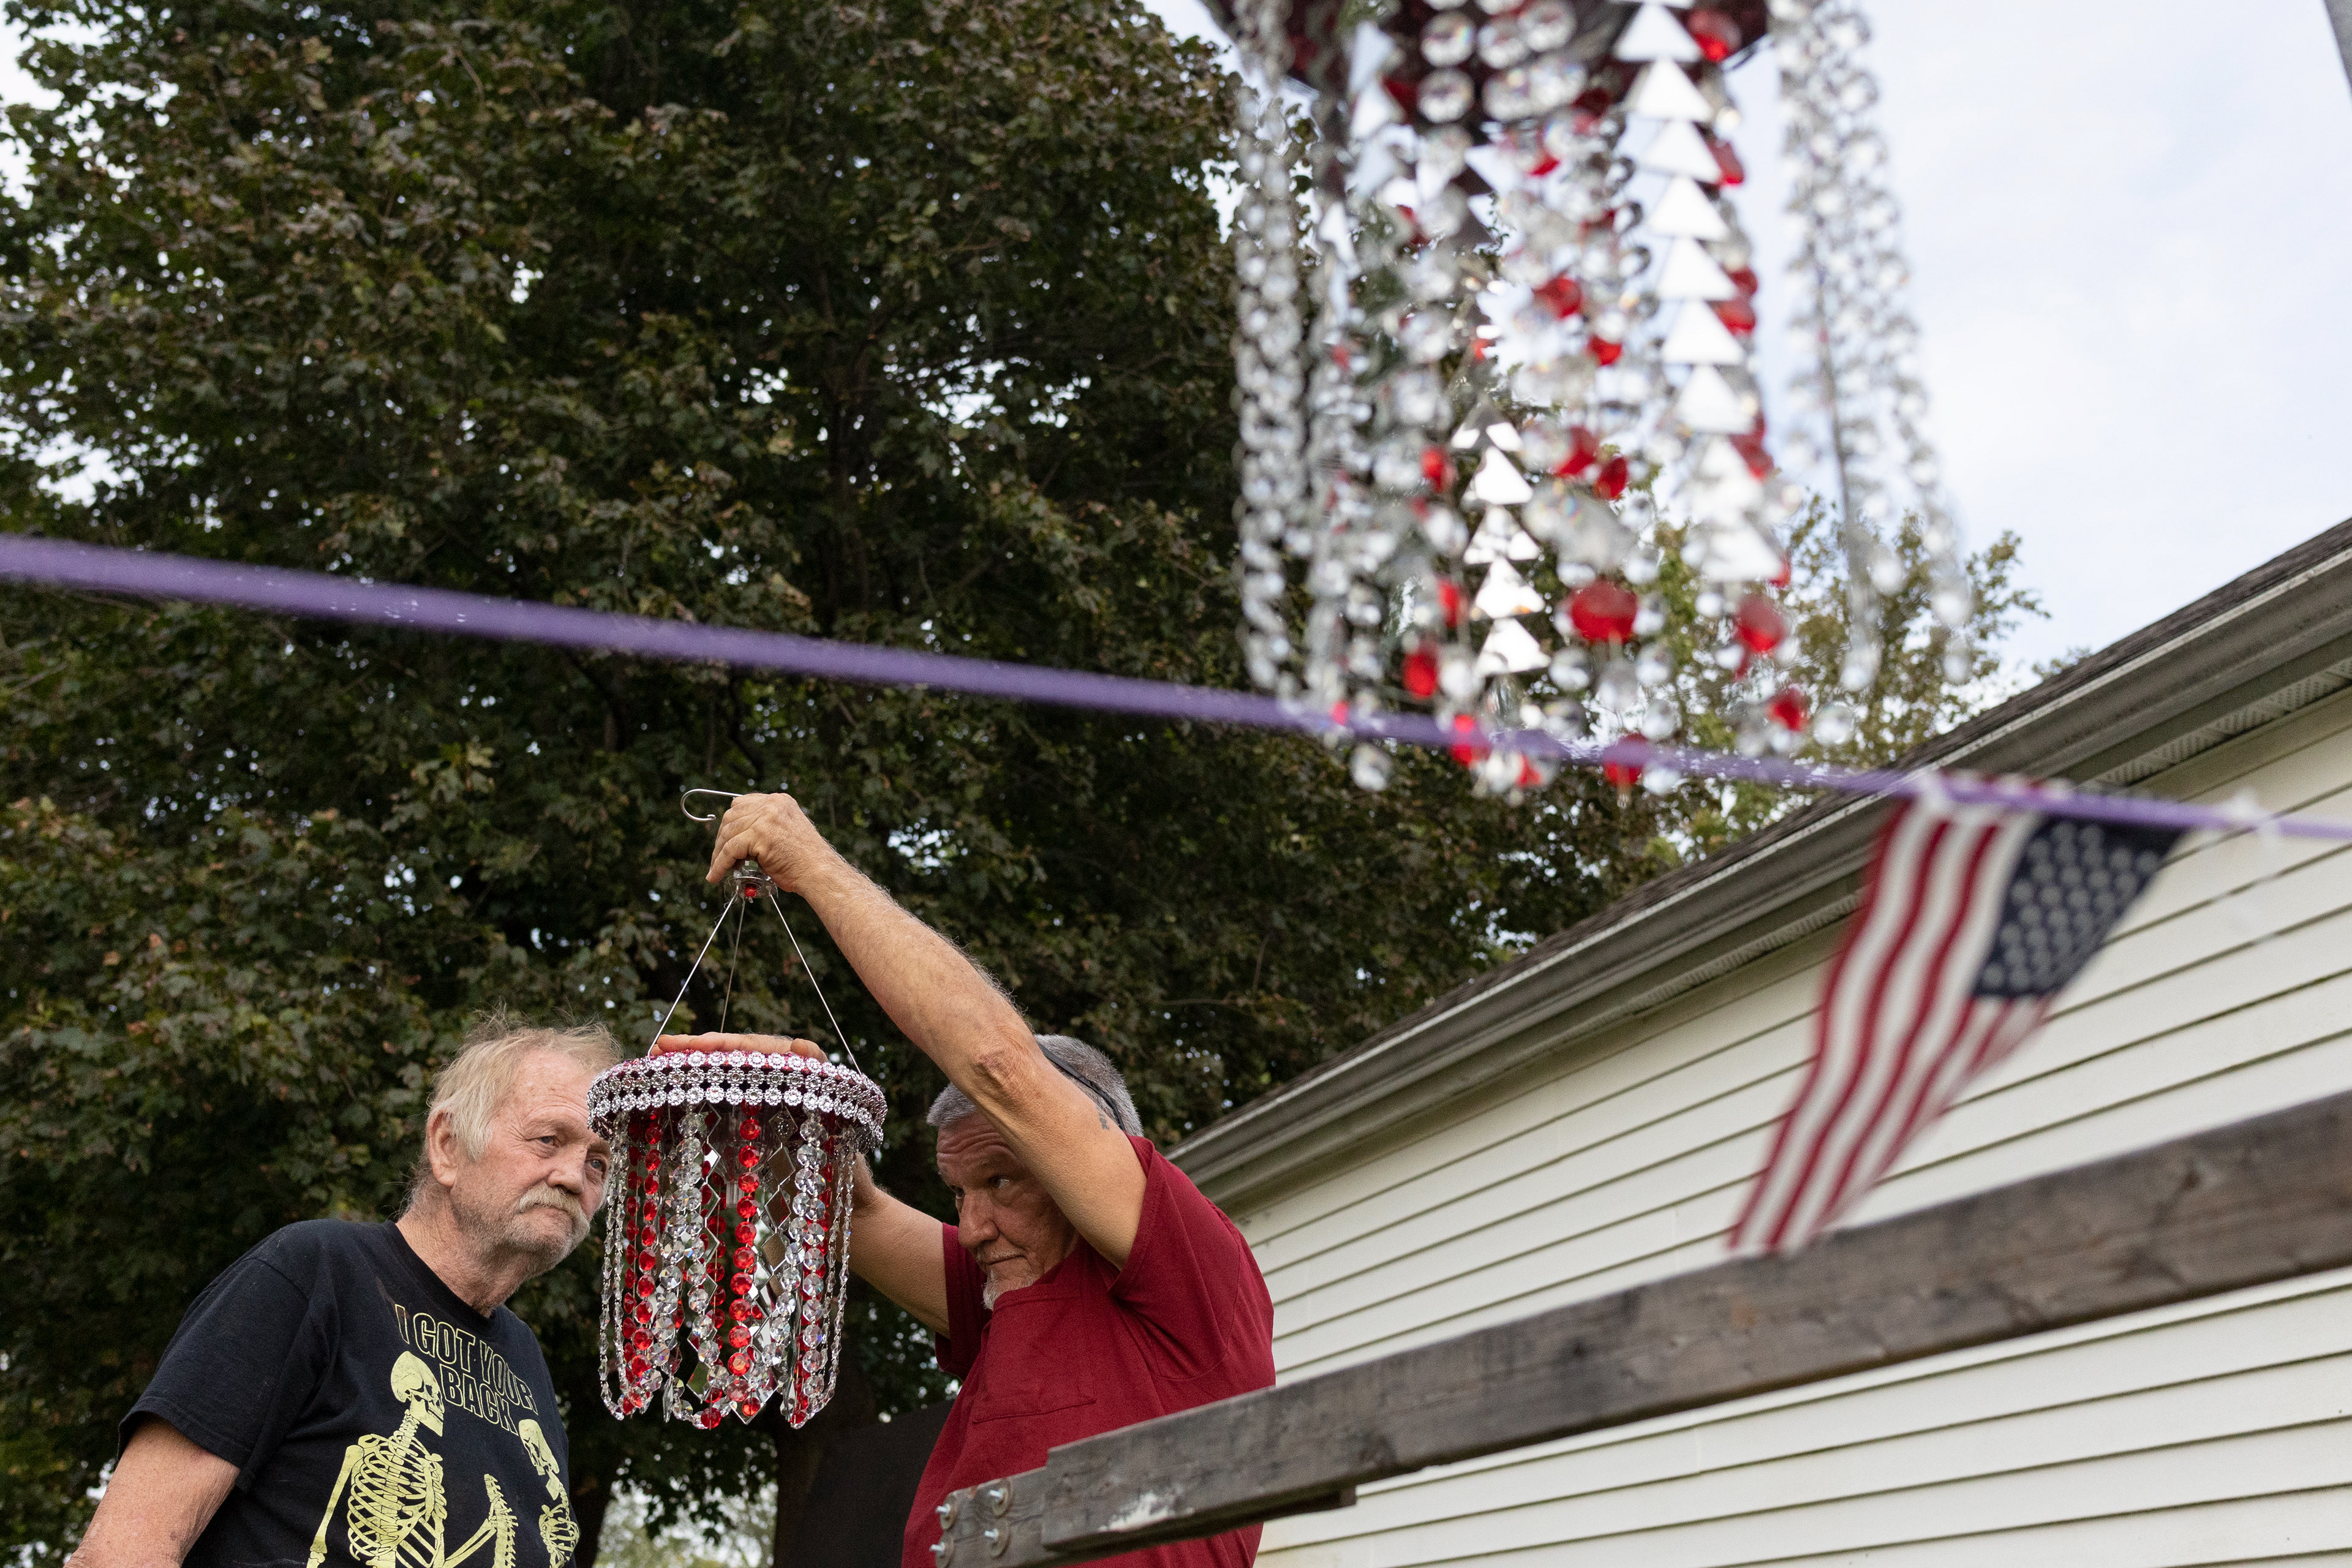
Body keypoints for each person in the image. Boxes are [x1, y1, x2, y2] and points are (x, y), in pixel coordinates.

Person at [661, 793, 1275, 1568]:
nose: (974, 1225)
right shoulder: (1006, 1298)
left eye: (1003, 1180)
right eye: (959, 1193)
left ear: (1094, 1154)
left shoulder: (1190, 1275)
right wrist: (784, 1106)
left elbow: (1002, 1068)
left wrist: (809, 863)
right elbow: (858, 1215)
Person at [73, 1016, 620, 1568]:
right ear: (448, 1146)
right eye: (549, 1139)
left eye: (598, 1162)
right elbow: (123, 1550)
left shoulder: (526, 1365)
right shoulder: (315, 1273)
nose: (574, 1176)